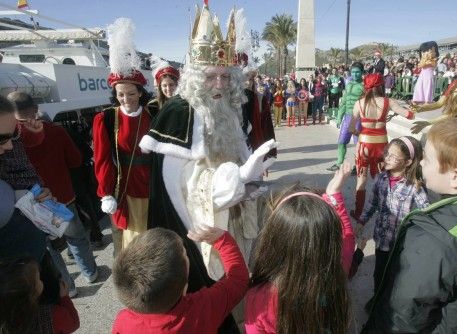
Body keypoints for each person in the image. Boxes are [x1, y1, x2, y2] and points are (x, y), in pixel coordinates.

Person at [139, 4, 276, 332]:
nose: (218, 83)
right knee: (209, 305)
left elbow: (238, 155)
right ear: (196, 77)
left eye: (225, 76)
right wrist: (235, 180)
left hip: (230, 220)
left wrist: (250, 183)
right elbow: (180, 186)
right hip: (197, 232)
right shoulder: (180, 113)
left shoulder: (227, 110)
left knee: (234, 287)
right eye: (211, 75)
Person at [362, 117, 457, 333]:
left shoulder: (432, 239)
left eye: (426, 158)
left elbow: (404, 315)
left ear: (456, 177)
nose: (422, 162)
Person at [245, 163, 355, 334]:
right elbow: (347, 238)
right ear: (331, 242)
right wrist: (334, 195)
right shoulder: (336, 270)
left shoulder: (260, 297)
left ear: (275, 239)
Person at [8, 91, 98, 296]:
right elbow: (75, 160)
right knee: (76, 237)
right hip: (64, 197)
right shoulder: (55, 131)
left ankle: (68, 286)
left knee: (49, 249)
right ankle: (90, 272)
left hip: (31, 206)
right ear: (35, 109)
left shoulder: (10, 139)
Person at [112, 226, 248, 334]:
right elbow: (238, 280)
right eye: (185, 253)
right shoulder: (201, 308)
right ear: (184, 287)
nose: (186, 252)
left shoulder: (123, 322)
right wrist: (222, 240)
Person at [93, 18, 154, 254]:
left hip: (153, 183)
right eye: (120, 94)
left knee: (154, 230)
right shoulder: (106, 119)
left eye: (131, 93)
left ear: (140, 92)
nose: (126, 99)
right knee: (129, 238)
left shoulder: (153, 114)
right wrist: (106, 192)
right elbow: (102, 159)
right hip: (124, 184)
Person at [355, 136, 429, 308]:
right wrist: (362, 221)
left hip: (401, 245)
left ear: (408, 161)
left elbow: (425, 214)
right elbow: (372, 203)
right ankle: (378, 300)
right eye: (387, 153)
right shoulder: (381, 178)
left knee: (396, 276)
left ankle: (391, 305)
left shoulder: (415, 186)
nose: (386, 158)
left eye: (393, 157)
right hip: (381, 239)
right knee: (379, 274)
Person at [349, 73, 415, 220]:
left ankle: (359, 213)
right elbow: (409, 115)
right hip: (382, 145)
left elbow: (351, 129)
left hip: (364, 145)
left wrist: (361, 132)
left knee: (361, 179)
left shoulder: (359, 103)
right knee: (383, 179)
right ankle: (386, 210)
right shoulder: (388, 102)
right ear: (380, 85)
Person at [0, 256, 80, 334]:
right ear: (32, 293)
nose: (41, 280)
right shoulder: (53, 315)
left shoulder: (5, 321)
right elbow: (74, 324)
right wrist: (64, 297)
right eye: (38, 279)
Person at [411, 51, 457, 133]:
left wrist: (427, 122)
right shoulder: (455, 83)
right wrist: (421, 108)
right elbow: (439, 103)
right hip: (450, 124)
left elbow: (451, 114)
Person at [326, 62, 364, 171]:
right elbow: (344, 102)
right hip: (347, 117)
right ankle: (339, 163)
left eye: (357, 72)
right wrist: (339, 116)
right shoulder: (349, 84)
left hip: (359, 118)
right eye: (353, 72)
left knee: (358, 143)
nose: (355, 74)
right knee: (341, 141)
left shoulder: (365, 86)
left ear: (362, 72)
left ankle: (358, 166)